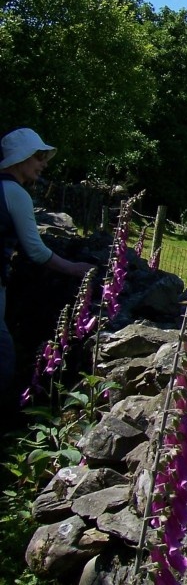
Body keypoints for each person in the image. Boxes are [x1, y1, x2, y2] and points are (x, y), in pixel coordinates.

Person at [0, 128, 94, 414]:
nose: (44, 163)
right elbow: (36, 250)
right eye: (39, 157)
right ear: (21, 159)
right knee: (3, 357)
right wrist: (74, 268)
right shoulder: (15, 193)